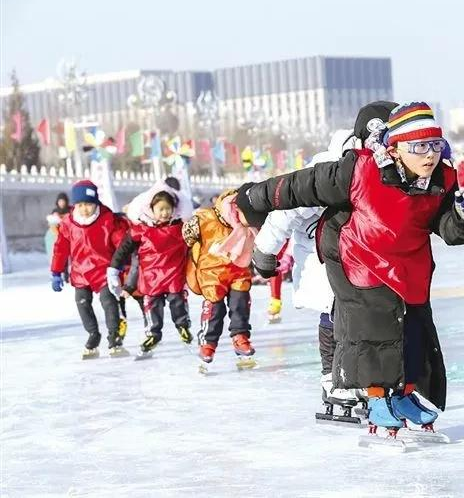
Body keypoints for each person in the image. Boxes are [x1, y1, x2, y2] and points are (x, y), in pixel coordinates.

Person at [237, 102, 464, 438]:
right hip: (357, 257)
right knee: (372, 328)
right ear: (394, 148)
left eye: (436, 146)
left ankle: (405, 393)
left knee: (412, 331)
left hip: (407, 263)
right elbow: (299, 187)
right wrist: (256, 197)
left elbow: (450, 230)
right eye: (419, 147)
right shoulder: (359, 169)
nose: (430, 156)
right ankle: (378, 398)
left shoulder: (440, 180)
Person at [253, 113, 395, 419]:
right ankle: (333, 378)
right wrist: (266, 250)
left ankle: (367, 381)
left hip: (366, 259)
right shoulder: (325, 172)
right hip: (323, 258)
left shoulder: (383, 170)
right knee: (334, 315)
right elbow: (285, 210)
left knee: (366, 319)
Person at [108, 181, 192, 356]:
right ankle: (153, 334)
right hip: (151, 276)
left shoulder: (180, 228)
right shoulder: (141, 230)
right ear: (151, 209)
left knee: (177, 301)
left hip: (173, 274)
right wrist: (114, 268)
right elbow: (123, 249)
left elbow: (196, 243)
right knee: (152, 306)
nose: (164, 212)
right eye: (160, 209)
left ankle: (183, 326)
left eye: (168, 208)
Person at [50, 180, 129, 358]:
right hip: (81, 272)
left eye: (88, 204)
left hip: (104, 270)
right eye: (80, 205)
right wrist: (56, 271)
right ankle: (93, 334)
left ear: (96, 203)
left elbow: (121, 244)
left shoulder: (108, 220)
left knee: (108, 302)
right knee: (82, 302)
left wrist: (124, 266)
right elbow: (60, 248)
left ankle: (114, 337)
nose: (84, 209)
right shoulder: (68, 223)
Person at [182, 190, 256, 364]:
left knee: (240, 306)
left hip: (239, 270)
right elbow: (187, 238)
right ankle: (208, 342)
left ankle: (240, 336)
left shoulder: (248, 224)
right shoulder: (203, 219)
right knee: (215, 310)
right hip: (212, 273)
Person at [45, 193, 70, 280]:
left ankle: (66, 274)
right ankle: (58, 273)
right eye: (60, 201)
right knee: (59, 255)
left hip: (68, 236)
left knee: (68, 257)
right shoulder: (55, 212)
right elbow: (51, 224)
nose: (62, 203)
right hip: (57, 236)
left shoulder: (70, 210)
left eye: (63, 201)